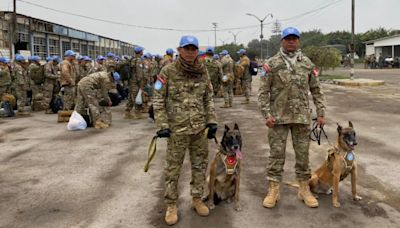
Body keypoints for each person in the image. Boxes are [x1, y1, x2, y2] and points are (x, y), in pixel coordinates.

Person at [258, 27, 326, 208]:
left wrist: (320, 112)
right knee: (276, 155)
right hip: (277, 118)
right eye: (288, 38)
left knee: (303, 156)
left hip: (301, 117)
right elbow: (263, 92)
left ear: (299, 41)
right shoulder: (271, 64)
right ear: (282, 41)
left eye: (294, 38)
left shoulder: (307, 63)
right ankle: (273, 189)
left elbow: (316, 90)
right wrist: (266, 114)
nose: (291, 41)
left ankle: (304, 189)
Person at [153, 35, 217, 225]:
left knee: (199, 166)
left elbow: (208, 98)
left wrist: (212, 121)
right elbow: (158, 100)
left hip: (199, 129)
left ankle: (197, 198)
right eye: (186, 48)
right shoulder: (167, 71)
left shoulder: (202, 71)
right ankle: (171, 204)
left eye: (193, 49)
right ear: (179, 50)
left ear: (197, 51)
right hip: (176, 130)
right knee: (173, 169)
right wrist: (162, 125)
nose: (190, 52)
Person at [124, 46, 145, 119]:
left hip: (131, 81)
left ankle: (127, 112)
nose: (143, 52)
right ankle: (138, 113)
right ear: (140, 52)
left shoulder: (132, 59)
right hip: (136, 82)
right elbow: (139, 73)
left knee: (131, 97)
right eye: (142, 51)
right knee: (137, 97)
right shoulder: (139, 60)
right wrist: (141, 84)